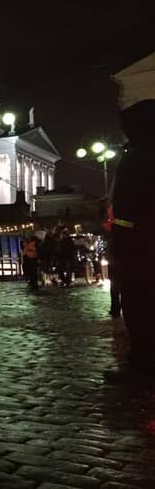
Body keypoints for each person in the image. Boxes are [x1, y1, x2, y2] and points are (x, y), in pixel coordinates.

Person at [109, 75, 155, 371]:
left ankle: (143, 357)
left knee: (138, 300)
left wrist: (119, 236)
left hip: (138, 244)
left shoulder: (135, 158)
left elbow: (123, 206)